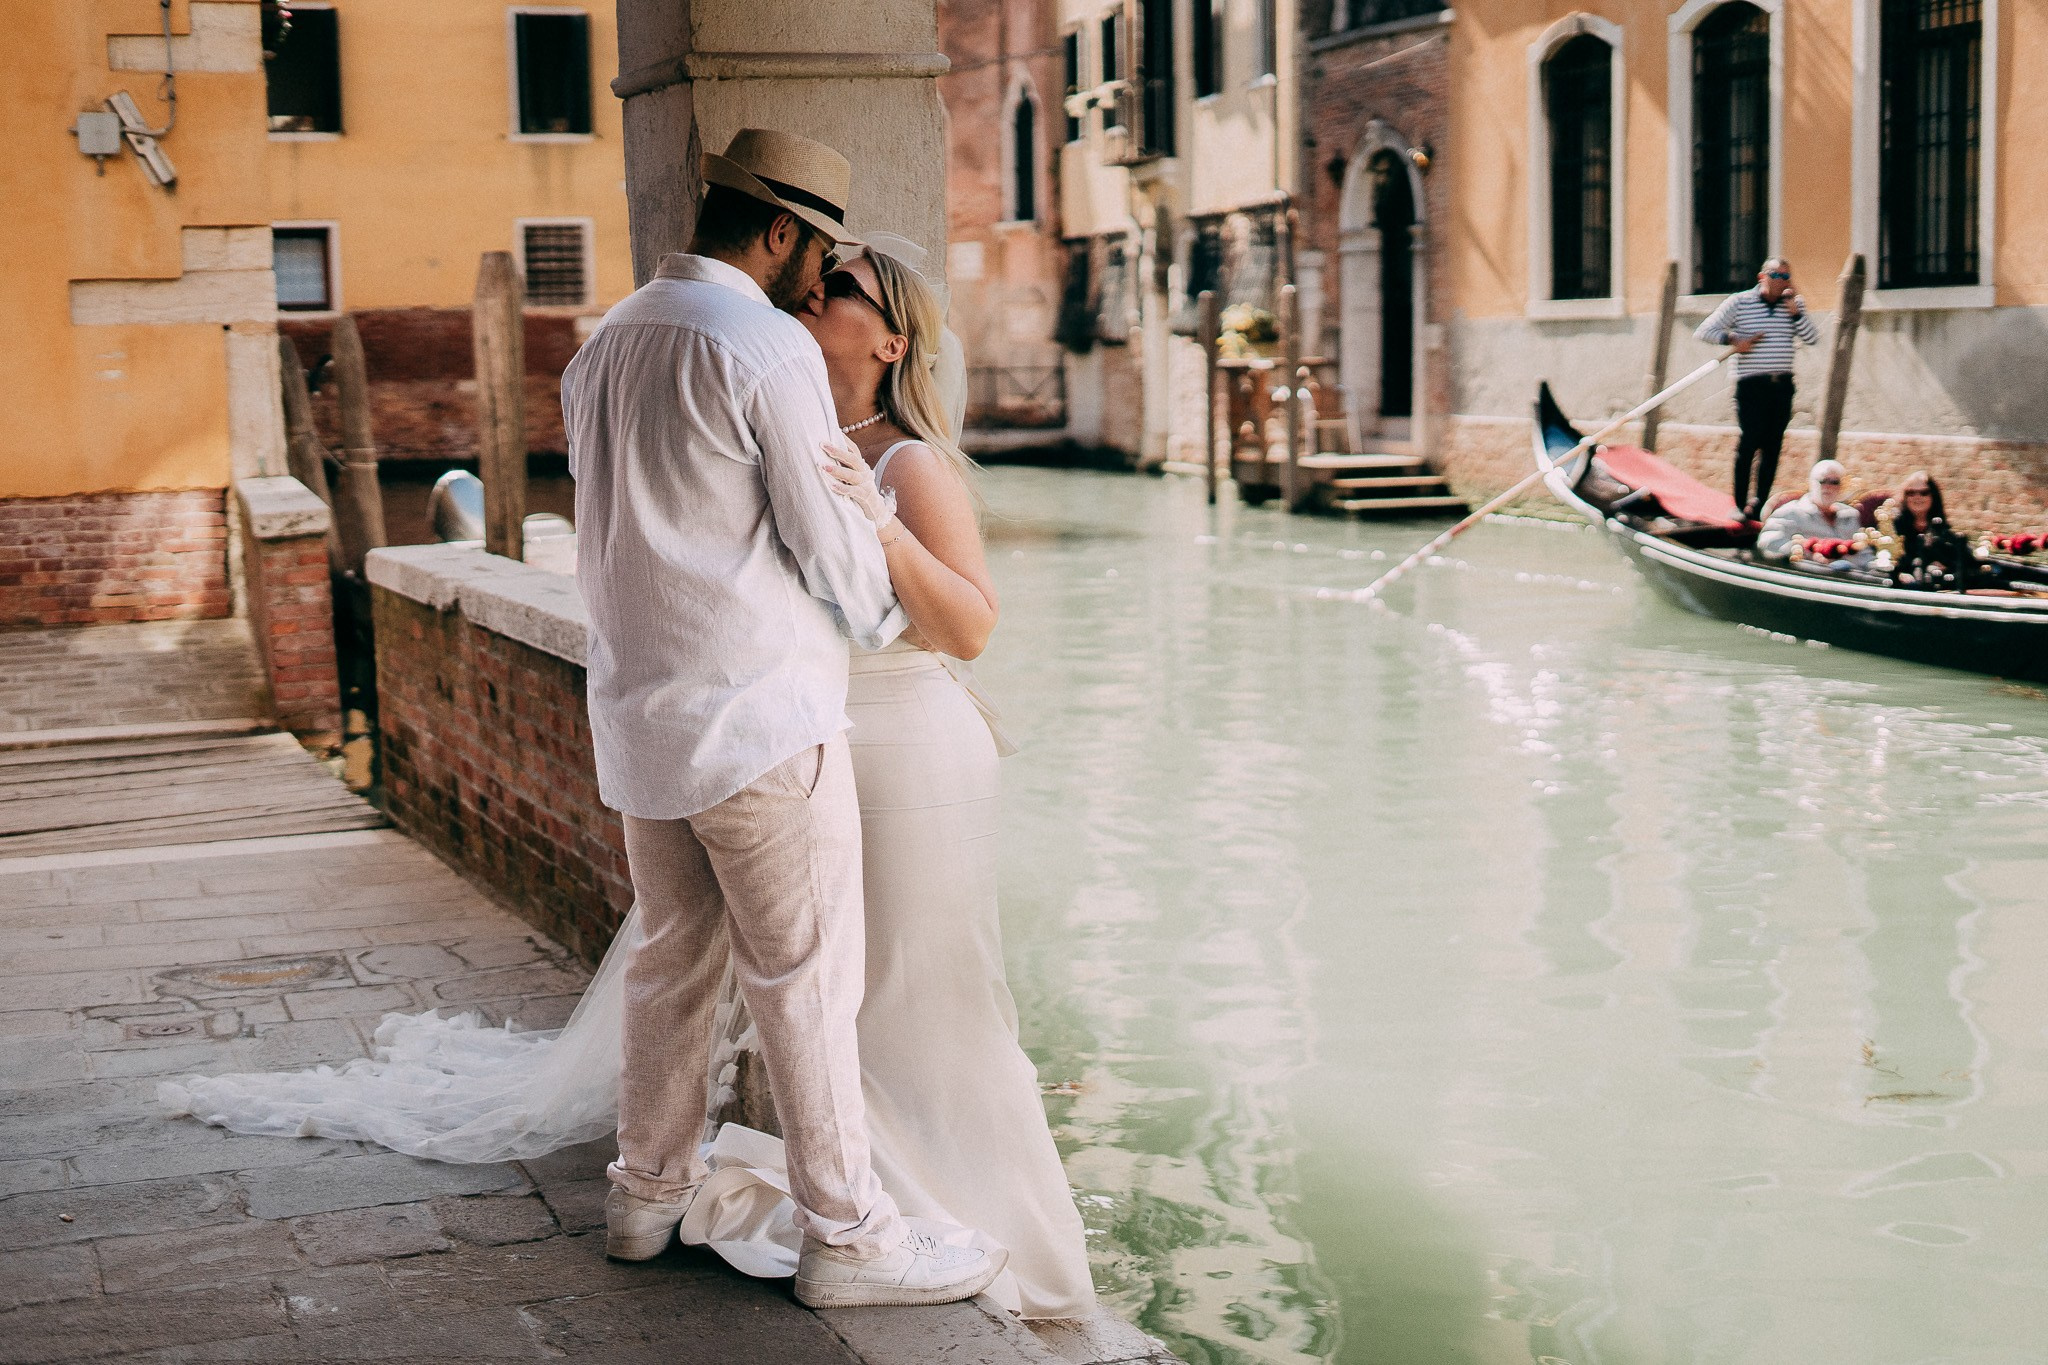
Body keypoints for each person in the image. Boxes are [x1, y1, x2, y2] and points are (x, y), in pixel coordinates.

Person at [677, 237, 1095, 1319]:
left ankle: (1008, 1244)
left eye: (844, 287)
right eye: (815, 277)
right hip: (803, 734)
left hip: (909, 743)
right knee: (834, 995)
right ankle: (872, 1216)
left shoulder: (911, 462)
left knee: (923, 992)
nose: (815, 290)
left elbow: (969, 626)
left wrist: (878, 521)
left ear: (893, 339)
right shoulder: (781, 427)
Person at [1695, 257, 1821, 520]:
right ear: (1762, 277)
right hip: (1751, 384)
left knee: (1772, 445)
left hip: (1781, 385)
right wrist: (1733, 339)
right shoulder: (1740, 302)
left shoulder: (1794, 305)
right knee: (1749, 441)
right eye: (1776, 276)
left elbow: (1811, 338)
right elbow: (1705, 330)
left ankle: (1758, 505)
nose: (1781, 282)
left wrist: (1795, 313)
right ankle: (1739, 504)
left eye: (1785, 277)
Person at [1757, 459, 1872, 569]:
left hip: (1845, 576)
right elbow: (1768, 542)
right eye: (1823, 481)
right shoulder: (1791, 512)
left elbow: (1863, 554)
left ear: (1841, 487)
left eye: (1834, 482)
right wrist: (1808, 553)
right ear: (1812, 483)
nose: (1828, 487)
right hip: (1805, 574)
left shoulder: (1850, 516)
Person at [1882, 471, 1979, 590]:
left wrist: (1944, 566)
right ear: (1905, 497)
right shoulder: (1893, 528)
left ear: (1933, 496)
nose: (1917, 497)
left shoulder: (1942, 531)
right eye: (1911, 493)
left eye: (1924, 493)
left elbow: (1963, 562)